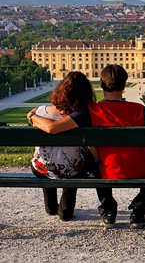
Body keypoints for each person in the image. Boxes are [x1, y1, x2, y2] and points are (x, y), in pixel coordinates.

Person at [29, 64, 145, 229]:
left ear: (101, 84)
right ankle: (140, 209)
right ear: (124, 85)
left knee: (94, 163)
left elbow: (53, 127)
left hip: (109, 169)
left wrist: (32, 116)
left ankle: (108, 210)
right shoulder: (140, 110)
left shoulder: (91, 111)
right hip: (141, 169)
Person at [28, 71, 96, 221]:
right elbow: (54, 128)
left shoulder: (39, 112)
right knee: (78, 162)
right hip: (71, 169)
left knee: (48, 160)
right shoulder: (82, 115)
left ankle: (51, 206)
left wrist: (32, 116)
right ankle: (65, 211)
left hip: (41, 167)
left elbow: (52, 127)